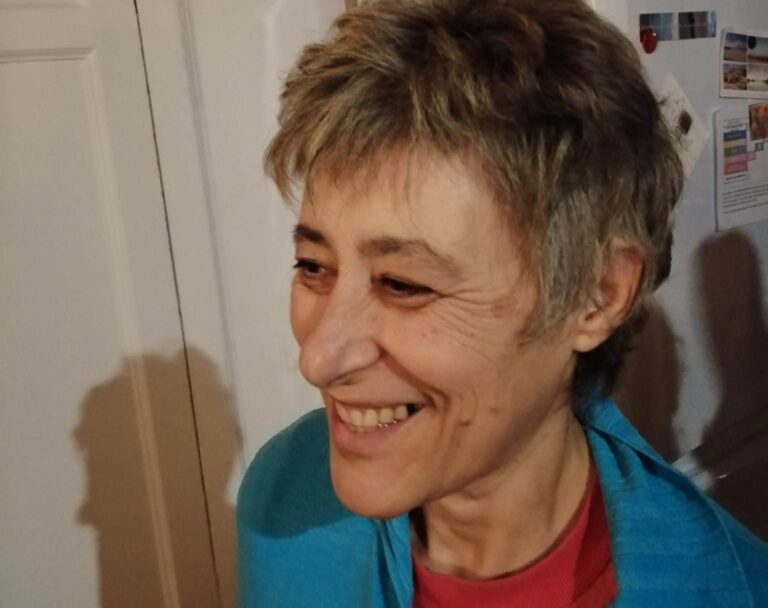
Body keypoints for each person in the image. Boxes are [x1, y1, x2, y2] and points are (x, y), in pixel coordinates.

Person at [237, 0, 768, 606]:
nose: (318, 359)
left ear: (596, 296)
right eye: (313, 266)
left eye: (403, 284)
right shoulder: (284, 496)